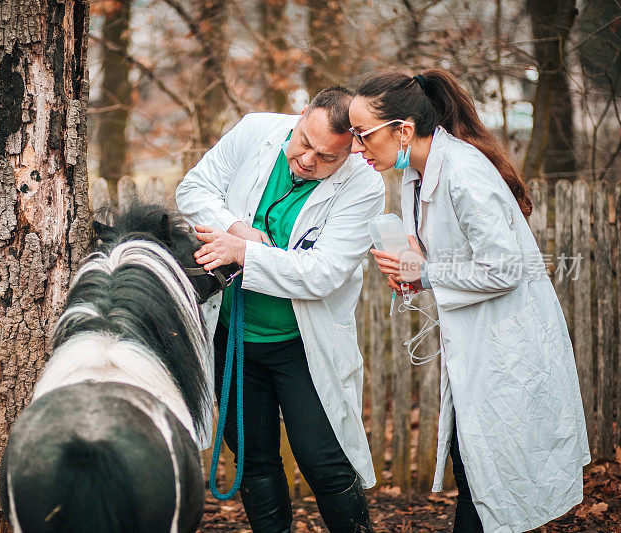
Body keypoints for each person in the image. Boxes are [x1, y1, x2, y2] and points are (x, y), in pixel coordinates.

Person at [350, 69, 590, 532]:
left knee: (489, 482)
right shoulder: (414, 176)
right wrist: (416, 269)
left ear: (402, 129)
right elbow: (449, 260)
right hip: (475, 351)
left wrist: (427, 272)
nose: (357, 148)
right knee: (476, 473)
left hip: (508, 349)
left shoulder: (464, 172)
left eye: (363, 135)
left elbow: (503, 268)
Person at [176, 86, 385, 533]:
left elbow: (322, 273)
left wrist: (244, 254)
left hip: (302, 348)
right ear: (301, 113)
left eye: (327, 157)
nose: (308, 160)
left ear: (352, 151)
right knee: (253, 461)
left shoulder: (364, 186)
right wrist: (240, 233)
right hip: (233, 337)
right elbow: (194, 188)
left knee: (325, 462)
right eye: (305, 142)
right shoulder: (256, 131)